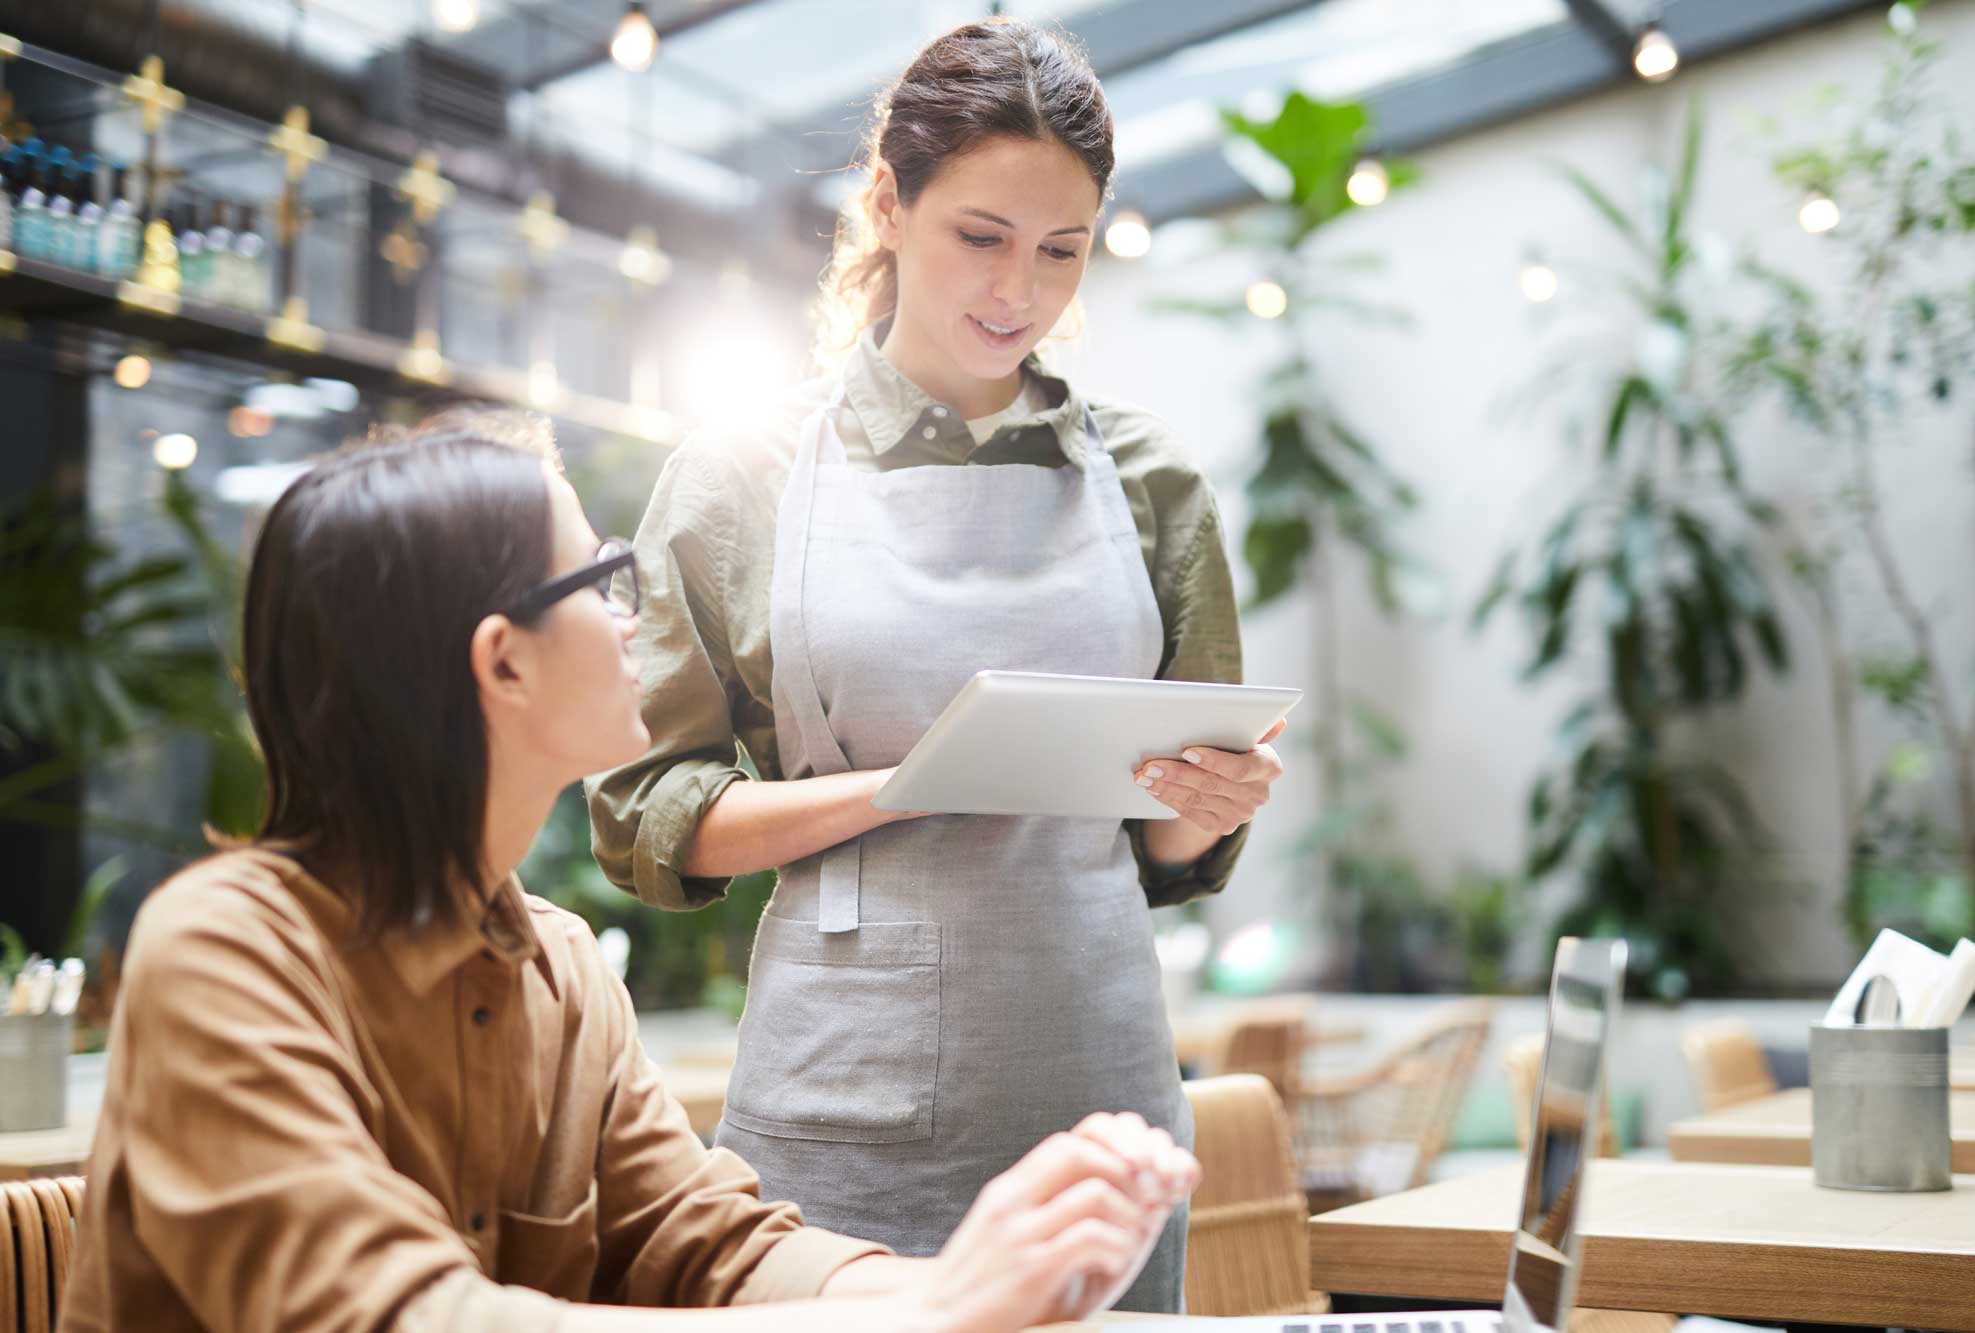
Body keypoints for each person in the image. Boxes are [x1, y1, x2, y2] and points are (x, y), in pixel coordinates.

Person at [59, 414, 1198, 1333]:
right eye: (601, 579)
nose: (629, 617)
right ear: (504, 662)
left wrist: (985, 1275)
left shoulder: (557, 967)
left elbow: (706, 1247)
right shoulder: (225, 952)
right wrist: (934, 1310)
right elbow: (398, 1315)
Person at [586, 17, 1284, 1312]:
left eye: (1061, 249)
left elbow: (1162, 847)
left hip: (1102, 1114)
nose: (1020, 289)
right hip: (838, 1110)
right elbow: (642, 815)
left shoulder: (1151, 481)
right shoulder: (740, 476)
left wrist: (1208, 804)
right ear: (887, 204)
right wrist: (905, 788)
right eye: (981, 235)